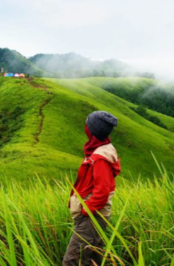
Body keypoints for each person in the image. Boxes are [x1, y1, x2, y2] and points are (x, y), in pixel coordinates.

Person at [62, 111, 120, 266]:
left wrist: (85, 210)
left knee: (72, 260)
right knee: (92, 259)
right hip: (93, 216)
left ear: (92, 130)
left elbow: (102, 192)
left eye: (87, 124)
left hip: (92, 218)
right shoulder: (101, 150)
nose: (85, 127)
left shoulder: (100, 158)